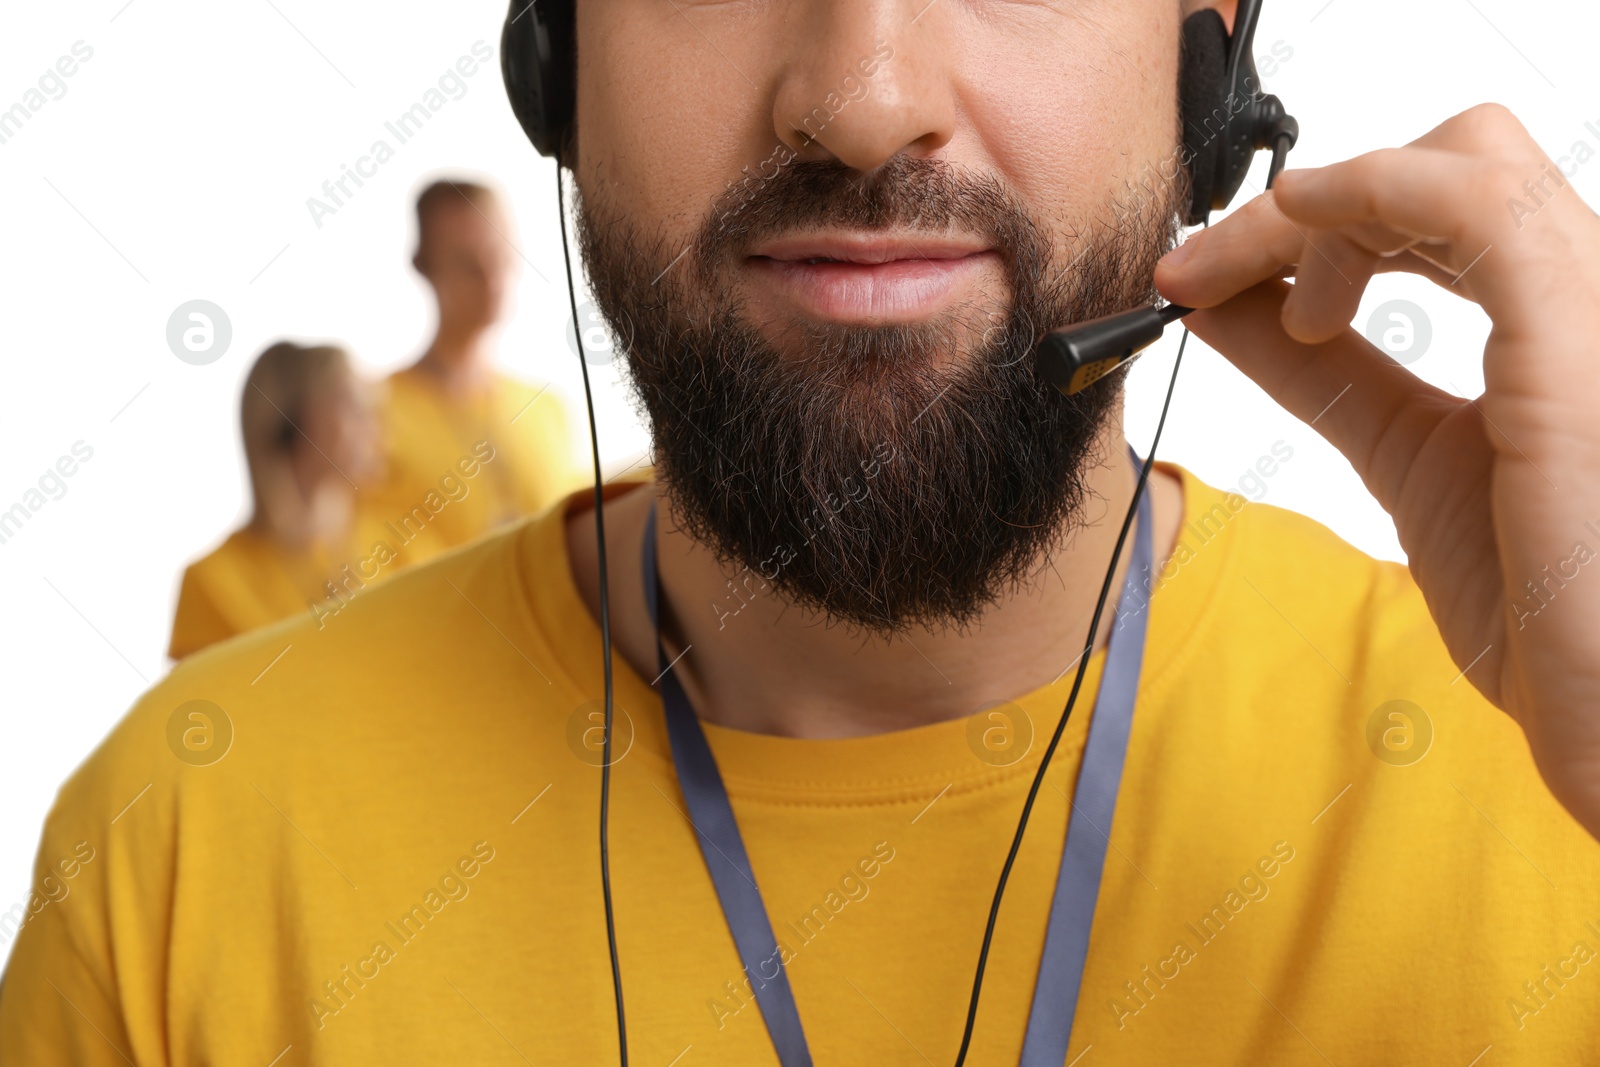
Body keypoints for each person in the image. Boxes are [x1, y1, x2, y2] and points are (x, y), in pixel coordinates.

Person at [6, 3, 1600, 1064]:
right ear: (555, 49)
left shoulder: (1554, 786)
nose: (863, 100)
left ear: (1211, 51)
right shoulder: (177, 867)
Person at [365, 178, 586, 564]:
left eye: (499, 255)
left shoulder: (545, 409)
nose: (490, 278)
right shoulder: (373, 417)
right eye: (467, 262)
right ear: (424, 265)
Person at [167, 341, 387, 659]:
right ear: (290, 424)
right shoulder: (213, 582)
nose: (374, 423)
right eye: (351, 403)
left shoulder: (402, 549)